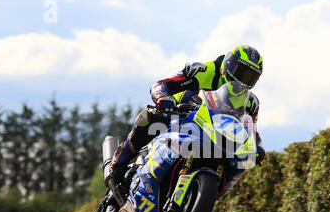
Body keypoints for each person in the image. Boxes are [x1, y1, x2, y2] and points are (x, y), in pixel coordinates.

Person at [108, 45, 266, 184]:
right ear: (228, 66)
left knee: (238, 161)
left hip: (214, 131)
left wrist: (256, 148)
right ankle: (120, 160)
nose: (243, 81)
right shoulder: (203, 71)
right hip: (179, 111)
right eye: (242, 73)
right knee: (150, 118)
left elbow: (250, 130)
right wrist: (163, 98)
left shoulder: (251, 103)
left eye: (251, 77)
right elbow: (161, 84)